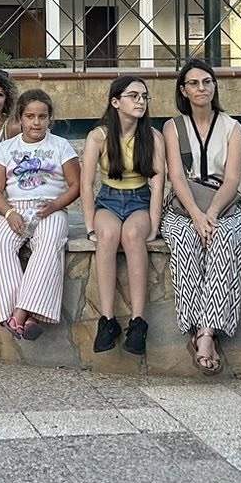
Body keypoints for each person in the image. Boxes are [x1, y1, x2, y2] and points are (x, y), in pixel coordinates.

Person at [160, 59, 241, 375]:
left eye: (207, 82)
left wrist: (210, 213)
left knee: (224, 239)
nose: (201, 88)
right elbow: (176, 177)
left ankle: (206, 333)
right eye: (194, 83)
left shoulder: (232, 127)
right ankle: (196, 326)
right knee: (184, 241)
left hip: (222, 204)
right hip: (184, 206)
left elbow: (232, 179)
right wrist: (197, 215)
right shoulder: (173, 127)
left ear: (214, 86)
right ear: (183, 90)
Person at [82, 75, 165, 357]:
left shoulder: (153, 137)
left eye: (144, 97)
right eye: (133, 96)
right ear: (116, 102)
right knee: (107, 235)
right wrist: (89, 223)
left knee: (132, 235)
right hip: (108, 200)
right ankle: (107, 320)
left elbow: (158, 183)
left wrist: (153, 224)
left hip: (139, 200)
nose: (141, 101)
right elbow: (86, 184)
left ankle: (138, 321)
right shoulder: (98, 136)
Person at [0, 90, 78, 340]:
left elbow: (76, 185)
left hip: (51, 207)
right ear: (20, 118)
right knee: (2, 242)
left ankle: (18, 314)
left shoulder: (60, 145)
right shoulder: (6, 148)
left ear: (50, 118)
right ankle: (24, 316)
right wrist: (8, 213)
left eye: (42, 116)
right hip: (15, 208)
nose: (36, 122)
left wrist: (56, 205)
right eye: (30, 116)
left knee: (48, 243)